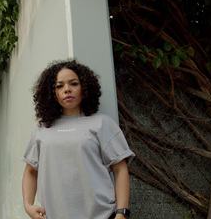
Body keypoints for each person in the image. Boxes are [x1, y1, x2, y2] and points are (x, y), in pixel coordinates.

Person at [22, 59, 135, 219]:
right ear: (52, 92)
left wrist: (122, 213)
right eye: (59, 86)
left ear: (84, 87)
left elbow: (120, 169)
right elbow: (30, 171)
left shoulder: (102, 123)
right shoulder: (41, 130)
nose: (67, 90)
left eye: (73, 84)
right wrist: (28, 205)